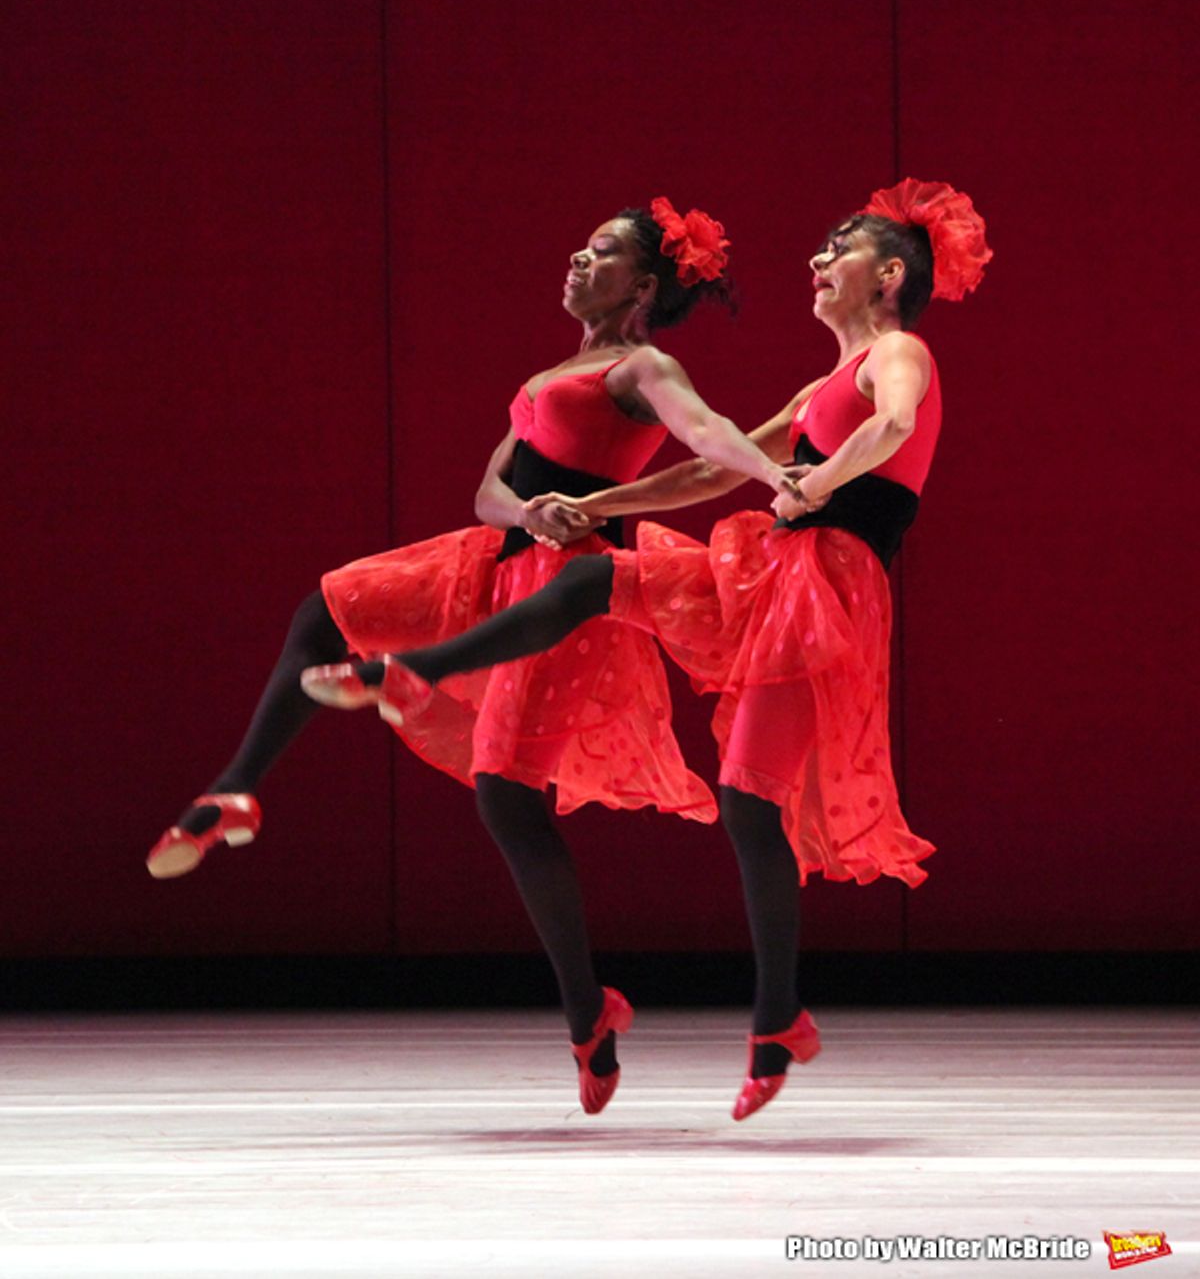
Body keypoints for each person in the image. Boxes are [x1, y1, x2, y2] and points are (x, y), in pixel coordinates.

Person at [305, 179, 992, 1120]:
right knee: (592, 577)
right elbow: (710, 466)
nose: (817, 260)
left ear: (891, 276)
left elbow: (897, 424)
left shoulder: (899, 352)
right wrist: (599, 507)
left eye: (840, 248)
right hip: (765, 573)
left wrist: (821, 480)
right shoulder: (819, 383)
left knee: (752, 803)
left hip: (822, 594)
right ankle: (421, 668)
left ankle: (778, 1017)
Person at [148, 196, 798, 1114]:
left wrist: (771, 475)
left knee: (506, 794)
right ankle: (236, 787)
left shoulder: (641, 364)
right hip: (488, 561)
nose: (577, 258)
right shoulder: (551, 371)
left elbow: (706, 440)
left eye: (601, 252)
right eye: (578, 245)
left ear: (643, 285)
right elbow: (490, 487)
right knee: (328, 608)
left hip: (563, 592)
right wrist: (523, 510)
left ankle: (588, 1010)